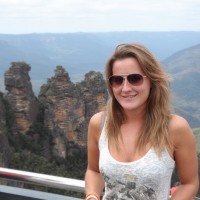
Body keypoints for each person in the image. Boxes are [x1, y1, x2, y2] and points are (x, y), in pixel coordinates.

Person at [84, 43, 199, 200]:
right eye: (117, 80)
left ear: (151, 80)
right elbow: (94, 170)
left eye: (135, 79)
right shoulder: (99, 123)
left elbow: (190, 183)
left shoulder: (175, 128)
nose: (125, 88)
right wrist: (92, 195)